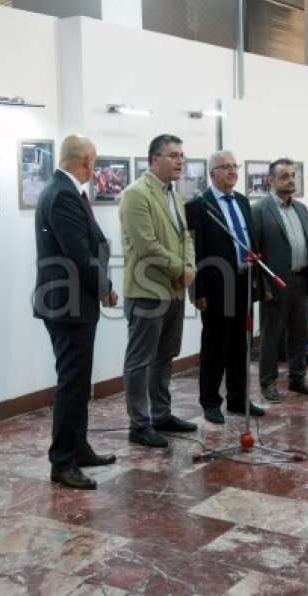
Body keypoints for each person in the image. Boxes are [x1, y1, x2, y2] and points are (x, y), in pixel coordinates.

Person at [33, 134, 118, 490]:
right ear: (85, 162)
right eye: (94, 162)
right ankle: (63, 462)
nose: (94, 169)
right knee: (72, 382)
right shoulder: (64, 194)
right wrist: (106, 289)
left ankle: (78, 447)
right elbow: (79, 254)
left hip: (71, 302)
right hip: (69, 304)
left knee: (80, 380)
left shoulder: (60, 190)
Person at [119, 134, 197, 447]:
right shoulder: (137, 194)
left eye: (182, 155)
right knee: (140, 360)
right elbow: (147, 246)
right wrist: (182, 269)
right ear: (154, 160)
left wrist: (188, 267)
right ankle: (139, 424)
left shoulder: (174, 195)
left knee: (165, 356)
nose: (180, 161)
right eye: (173, 155)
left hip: (174, 289)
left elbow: (185, 237)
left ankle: (161, 415)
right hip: (146, 291)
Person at [185, 151, 266, 424]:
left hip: (244, 283)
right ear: (212, 174)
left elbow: (252, 243)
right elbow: (193, 252)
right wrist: (197, 291)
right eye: (226, 167)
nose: (232, 171)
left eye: (235, 166)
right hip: (217, 286)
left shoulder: (243, 201)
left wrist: (259, 282)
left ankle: (238, 399)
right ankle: (210, 401)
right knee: (215, 346)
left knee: (241, 345)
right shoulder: (199, 206)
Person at [252, 158, 308, 403]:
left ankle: (297, 378)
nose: (291, 180)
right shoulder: (259, 210)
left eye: (293, 175)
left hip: (301, 280)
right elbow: (255, 253)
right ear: (271, 180)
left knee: (300, 333)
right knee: (271, 336)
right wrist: (263, 287)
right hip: (276, 284)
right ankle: (268, 383)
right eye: (284, 176)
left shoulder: (302, 209)